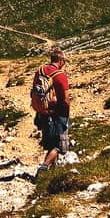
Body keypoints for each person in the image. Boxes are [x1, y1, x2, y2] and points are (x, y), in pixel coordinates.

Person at [31, 47, 71, 175]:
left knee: (50, 142)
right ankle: (44, 168)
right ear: (61, 61)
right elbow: (65, 99)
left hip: (42, 112)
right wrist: (65, 115)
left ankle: (52, 171)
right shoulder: (60, 76)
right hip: (56, 114)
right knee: (59, 146)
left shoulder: (40, 71)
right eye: (64, 61)